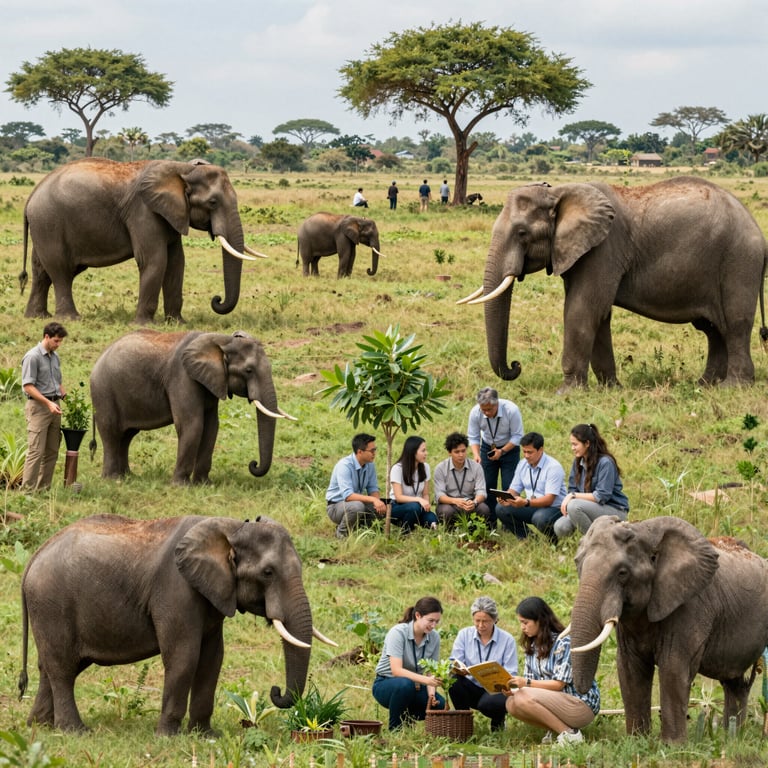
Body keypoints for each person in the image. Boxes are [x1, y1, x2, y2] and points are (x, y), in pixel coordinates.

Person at [504, 596, 600, 746]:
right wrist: (514, 689)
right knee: (511, 703)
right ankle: (560, 730)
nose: (522, 627)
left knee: (523, 696)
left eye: (525, 622)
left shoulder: (564, 642)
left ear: (540, 621)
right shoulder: (532, 647)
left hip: (580, 704)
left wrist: (525, 683)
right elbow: (528, 686)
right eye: (520, 623)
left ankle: (570, 736)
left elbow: (558, 685)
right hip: (556, 702)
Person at [373, 596, 446, 730]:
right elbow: (396, 671)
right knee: (404, 684)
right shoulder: (398, 632)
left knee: (440, 705)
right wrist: (426, 680)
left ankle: (407, 718)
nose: (433, 625)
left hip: (416, 686)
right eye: (430, 620)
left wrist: (431, 695)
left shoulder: (434, 637)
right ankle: (395, 727)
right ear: (418, 615)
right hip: (387, 683)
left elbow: (431, 672)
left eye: (437, 621)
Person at [449, 596, 518, 732]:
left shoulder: (507, 640)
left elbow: (512, 673)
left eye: (485, 621)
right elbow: (454, 661)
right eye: (477, 621)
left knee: (488, 703)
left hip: (495, 691)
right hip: (472, 686)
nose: (481, 626)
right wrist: (459, 669)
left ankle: (498, 723)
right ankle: (463, 724)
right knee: (453, 681)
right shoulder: (464, 635)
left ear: (494, 620)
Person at [554, 423, 629, 539]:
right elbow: (572, 488)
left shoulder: (605, 462)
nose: (572, 448)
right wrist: (571, 497)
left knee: (574, 506)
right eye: (571, 444)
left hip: (614, 510)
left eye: (575, 444)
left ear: (587, 443)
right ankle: (595, 539)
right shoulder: (578, 462)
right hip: (590, 508)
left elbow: (602, 495)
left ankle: (595, 543)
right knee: (560, 527)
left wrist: (573, 496)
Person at [21, 322, 68, 491]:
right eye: (56, 341)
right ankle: (26, 491)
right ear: (46, 336)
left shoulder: (55, 357)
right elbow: (28, 386)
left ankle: (43, 489)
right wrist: (48, 402)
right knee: (36, 451)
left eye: (60, 341)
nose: (58, 344)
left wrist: (65, 396)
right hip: (39, 407)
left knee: (52, 451)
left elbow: (57, 381)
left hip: (54, 406)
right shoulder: (32, 357)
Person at [496, 432, 567, 542]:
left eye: (530, 452)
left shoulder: (553, 467)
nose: (526, 455)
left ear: (541, 450)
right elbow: (514, 489)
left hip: (555, 508)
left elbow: (549, 500)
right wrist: (506, 498)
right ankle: (529, 540)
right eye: (524, 451)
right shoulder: (522, 464)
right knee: (501, 509)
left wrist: (526, 502)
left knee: (539, 518)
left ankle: (554, 541)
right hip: (532, 505)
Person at [467, 387, 524, 526]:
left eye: (489, 409)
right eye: (483, 409)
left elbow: (518, 435)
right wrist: (476, 455)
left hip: (509, 448)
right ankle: (490, 521)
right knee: (487, 485)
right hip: (487, 448)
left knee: (509, 486)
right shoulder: (475, 412)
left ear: (496, 403)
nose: (486, 413)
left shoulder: (511, 410)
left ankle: (508, 522)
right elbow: (473, 436)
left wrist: (502, 451)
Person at [326, 433, 387, 538]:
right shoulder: (344, 466)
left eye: (375, 449)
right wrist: (373, 500)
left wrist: (378, 503)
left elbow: (373, 488)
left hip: (356, 503)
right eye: (372, 450)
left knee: (385, 505)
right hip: (336, 506)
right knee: (357, 507)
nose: (374, 453)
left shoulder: (370, 465)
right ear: (360, 452)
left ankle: (364, 531)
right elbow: (348, 496)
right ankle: (341, 533)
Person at [433, 432, 490, 527]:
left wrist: (474, 502)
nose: (461, 455)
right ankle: (450, 532)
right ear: (449, 452)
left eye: (463, 451)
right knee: (446, 511)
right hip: (450, 504)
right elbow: (439, 495)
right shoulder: (440, 468)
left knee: (484, 509)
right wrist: (455, 501)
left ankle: (475, 531)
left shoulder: (476, 467)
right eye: (457, 452)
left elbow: (482, 492)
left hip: (470, 503)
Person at [390, 436, 438, 531]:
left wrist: (426, 505)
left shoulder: (425, 467)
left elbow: (425, 494)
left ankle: (413, 522)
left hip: (417, 506)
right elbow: (399, 497)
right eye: (423, 451)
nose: (426, 453)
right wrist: (418, 500)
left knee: (433, 520)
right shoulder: (397, 468)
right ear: (413, 452)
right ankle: (406, 532)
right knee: (414, 507)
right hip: (397, 506)